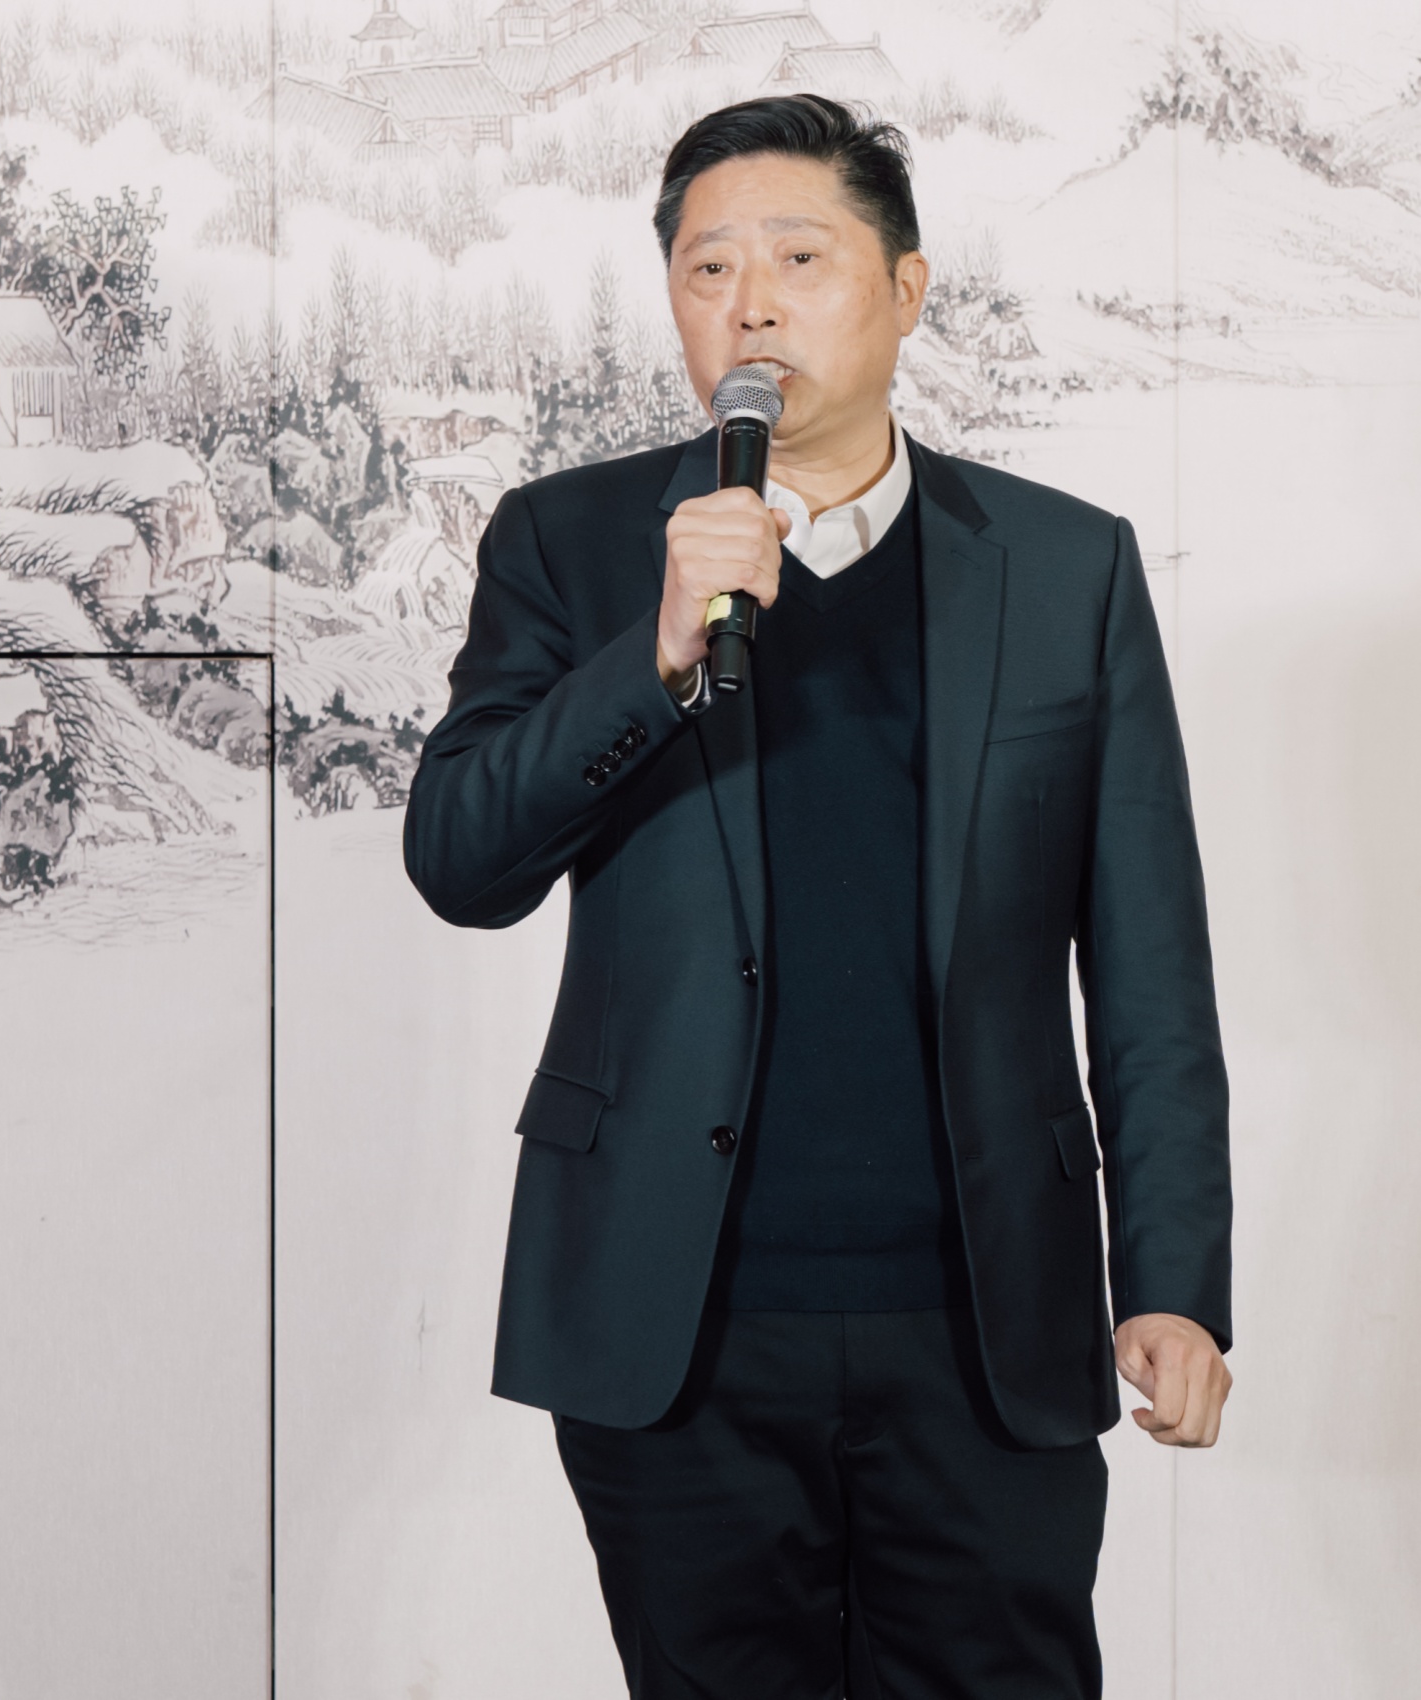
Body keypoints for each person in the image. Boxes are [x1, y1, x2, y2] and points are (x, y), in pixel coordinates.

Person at [403, 93, 1233, 1700]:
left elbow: (1150, 967)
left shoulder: (1067, 568)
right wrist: (653, 655)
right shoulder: (571, 543)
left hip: (983, 1326)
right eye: (708, 268)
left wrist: (1175, 1282)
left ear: (906, 289)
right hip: (678, 1326)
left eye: (800, 258)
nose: (752, 304)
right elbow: (460, 861)